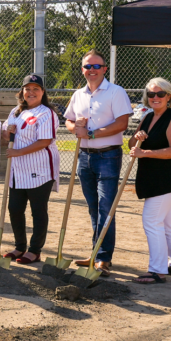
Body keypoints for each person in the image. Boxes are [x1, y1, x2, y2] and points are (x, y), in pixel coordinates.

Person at [63, 49, 132, 276]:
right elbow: (69, 121)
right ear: (82, 70)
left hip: (108, 156)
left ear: (104, 69)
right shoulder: (78, 94)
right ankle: (95, 253)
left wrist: (91, 134)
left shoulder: (116, 92)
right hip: (84, 157)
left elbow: (122, 123)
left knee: (106, 207)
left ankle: (104, 258)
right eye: (87, 66)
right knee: (93, 207)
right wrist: (76, 129)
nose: (91, 70)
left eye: (96, 66)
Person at [129, 77, 171, 284]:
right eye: (151, 94)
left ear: (168, 96)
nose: (155, 97)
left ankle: (157, 270)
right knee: (166, 222)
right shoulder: (146, 117)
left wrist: (145, 152)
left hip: (165, 179)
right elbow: (131, 145)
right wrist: (139, 138)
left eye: (160, 94)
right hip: (150, 178)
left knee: (152, 221)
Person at [1, 74, 60, 264]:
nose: (31, 92)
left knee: (38, 210)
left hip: (40, 169)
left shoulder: (46, 113)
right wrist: (6, 132)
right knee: (15, 208)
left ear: (43, 92)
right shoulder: (16, 111)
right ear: (22, 91)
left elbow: (44, 141)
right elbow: (4, 135)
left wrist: (19, 152)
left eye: (36, 89)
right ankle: (20, 247)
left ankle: (35, 250)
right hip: (18, 170)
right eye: (28, 88)